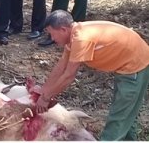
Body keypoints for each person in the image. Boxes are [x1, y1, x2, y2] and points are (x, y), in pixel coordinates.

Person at [33, 10, 149, 141]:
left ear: (63, 29)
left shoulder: (81, 38)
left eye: (52, 34)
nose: (52, 39)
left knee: (119, 116)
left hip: (135, 65)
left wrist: (47, 97)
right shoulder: (73, 37)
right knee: (127, 112)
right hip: (126, 65)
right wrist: (43, 91)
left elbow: (68, 75)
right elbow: (61, 67)